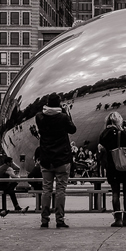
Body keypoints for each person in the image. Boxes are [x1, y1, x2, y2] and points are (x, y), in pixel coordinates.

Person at [35, 92, 76, 229]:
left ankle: (44, 219)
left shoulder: (39, 117)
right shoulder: (63, 117)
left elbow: (42, 114)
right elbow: (72, 129)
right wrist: (67, 113)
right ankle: (60, 219)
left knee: (46, 189)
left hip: (46, 158)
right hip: (62, 158)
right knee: (60, 190)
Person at [99, 111, 126, 227]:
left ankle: (118, 219)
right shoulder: (122, 132)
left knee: (115, 193)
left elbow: (102, 145)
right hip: (125, 165)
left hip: (113, 166)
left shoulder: (104, 133)